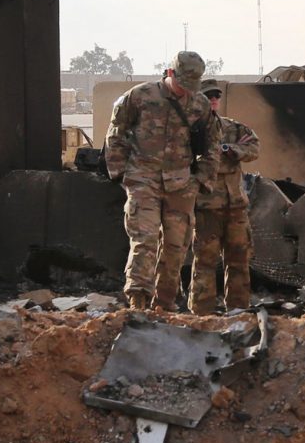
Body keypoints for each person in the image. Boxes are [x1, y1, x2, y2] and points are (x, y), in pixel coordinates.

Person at [105, 51, 213, 311]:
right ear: (170, 73)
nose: (185, 92)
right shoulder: (140, 96)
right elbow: (116, 132)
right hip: (143, 178)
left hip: (181, 183)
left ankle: (164, 305)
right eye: (182, 84)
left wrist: (201, 180)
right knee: (145, 240)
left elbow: (212, 145)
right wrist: (121, 173)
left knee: (176, 246)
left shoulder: (200, 104)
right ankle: (138, 302)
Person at [189, 84, 261, 314]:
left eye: (215, 97)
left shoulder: (232, 128)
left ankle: (238, 310)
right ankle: (202, 312)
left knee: (239, 259)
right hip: (206, 208)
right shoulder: (190, 129)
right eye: (207, 97)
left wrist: (233, 150)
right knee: (204, 262)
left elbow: (254, 147)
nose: (213, 101)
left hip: (236, 207)